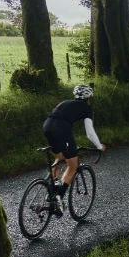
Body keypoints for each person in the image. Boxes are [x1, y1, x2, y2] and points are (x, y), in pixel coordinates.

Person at [42, 83, 106, 214]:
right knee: (73, 164)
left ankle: (51, 188)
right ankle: (58, 196)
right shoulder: (87, 108)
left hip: (47, 126)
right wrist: (99, 146)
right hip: (62, 129)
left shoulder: (65, 102)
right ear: (89, 97)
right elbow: (89, 132)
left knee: (59, 157)